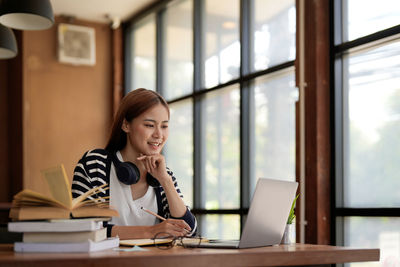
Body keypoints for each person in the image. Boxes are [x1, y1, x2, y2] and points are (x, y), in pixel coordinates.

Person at [71, 88, 197, 239]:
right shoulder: (95, 164)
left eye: (164, 126)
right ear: (126, 125)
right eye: (150, 125)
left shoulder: (164, 174)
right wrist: (150, 231)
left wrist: (165, 181)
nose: (159, 135)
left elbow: (189, 231)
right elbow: (84, 228)